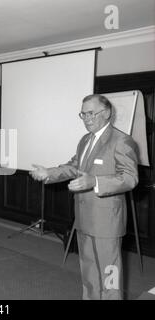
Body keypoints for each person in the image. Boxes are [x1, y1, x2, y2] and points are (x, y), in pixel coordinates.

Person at [30, 94, 138, 300]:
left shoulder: (122, 141)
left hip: (106, 222)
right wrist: (49, 173)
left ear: (106, 113)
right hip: (84, 217)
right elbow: (74, 167)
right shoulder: (85, 140)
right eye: (83, 114)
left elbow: (130, 178)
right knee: (89, 273)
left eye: (91, 113)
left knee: (109, 276)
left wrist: (95, 182)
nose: (86, 118)